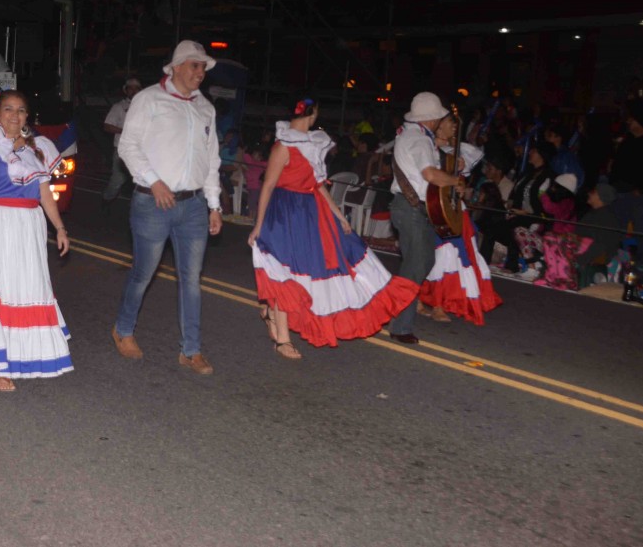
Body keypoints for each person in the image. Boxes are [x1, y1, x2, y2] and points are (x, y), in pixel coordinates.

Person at [248, 97, 417, 359]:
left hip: (311, 213)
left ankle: (272, 313)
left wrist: (339, 215)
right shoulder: (284, 145)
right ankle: (282, 338)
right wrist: (258, 225)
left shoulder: (313, 144)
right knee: (283, 271)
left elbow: (318, 184)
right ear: (312, 114)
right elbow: (268, 185)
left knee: (309, 269)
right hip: (284, 215)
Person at [111, 40, 224, 375]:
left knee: (191, 279)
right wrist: (153, 180)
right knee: (143, 273)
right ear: (175, 67)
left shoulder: (205, 108)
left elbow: (212, 159)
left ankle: (191, 351)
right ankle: (123, 329)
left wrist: (214, 204)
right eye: (194, 65)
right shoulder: (148, 99)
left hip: (193, 206)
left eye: (203, 67)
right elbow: (128, 147)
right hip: (153, 201)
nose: (200, 73)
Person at [0, 89, 73, 393]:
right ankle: (1, 366)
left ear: (26, 116)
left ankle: (26, 354)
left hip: (28, 225)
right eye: (8, 109)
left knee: (28, 287)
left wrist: (59, 227)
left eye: (20, 110)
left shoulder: (39, 148)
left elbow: (45, 194)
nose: (14, 115)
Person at [387, 92, 465, 344]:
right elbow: (431, 174)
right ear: (431, 119)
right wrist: (455, 180)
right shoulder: (419, 140)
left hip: (409, 208)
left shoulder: (412, 136)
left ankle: (393, 312)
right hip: (411, 209)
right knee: (416, 266)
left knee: (417, 263)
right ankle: (398, 323)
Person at [418, 115, 503, 326]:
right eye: (450, 123)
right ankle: (424, 299)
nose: (454, 127)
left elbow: (460, 184)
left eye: (456, 123)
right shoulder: (425, 148)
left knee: (451, 255)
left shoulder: (459, 153)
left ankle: (439, 302)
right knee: (431, 254)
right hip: (431, 206)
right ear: (437, 125)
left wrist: (460, 187)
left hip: (453, 208)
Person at [608, 99, 643, 281]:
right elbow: (618, 165)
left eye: (632, 119)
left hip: (641, 196)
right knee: (616, 231)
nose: (628, 122)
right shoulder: (628, 141)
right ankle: (616, 268)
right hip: (622, 193)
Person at [479, 140, 556, 273]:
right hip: (517, 215)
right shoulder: (527, 173)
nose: (530, 152)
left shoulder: (549, 177)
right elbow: (514, 195)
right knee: (492, 228)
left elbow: (547, 207)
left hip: (535, 218)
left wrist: (525, 212)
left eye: (534, 151)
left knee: (514, 227)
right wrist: (510, 206)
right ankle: (482, 264)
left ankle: (512, 265)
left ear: (542, 154)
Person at [101, 76, 142, 211]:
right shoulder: (119, 107)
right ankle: (106, 200)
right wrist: (125, 130)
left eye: (137, 88)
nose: (134, 91)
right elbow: (107, 126)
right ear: (126, 90)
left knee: (142, 179)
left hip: (141, 150)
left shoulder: (145, 106)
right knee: (118, 179)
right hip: (122, 149)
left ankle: (137, 208)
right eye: (131, 88)